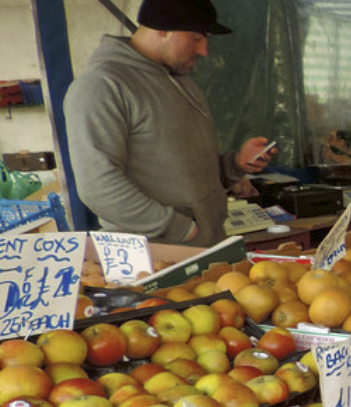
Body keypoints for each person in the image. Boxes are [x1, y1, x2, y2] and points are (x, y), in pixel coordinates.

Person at [65, 0, 275, 247]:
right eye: (196, 38)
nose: (204, 50)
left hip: (205, 246)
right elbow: (98, 186)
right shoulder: (102, 86)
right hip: (151, 256)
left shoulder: (182, 82)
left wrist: (235, 164)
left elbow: (184, 172)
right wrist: (178, 228)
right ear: (162, 29)